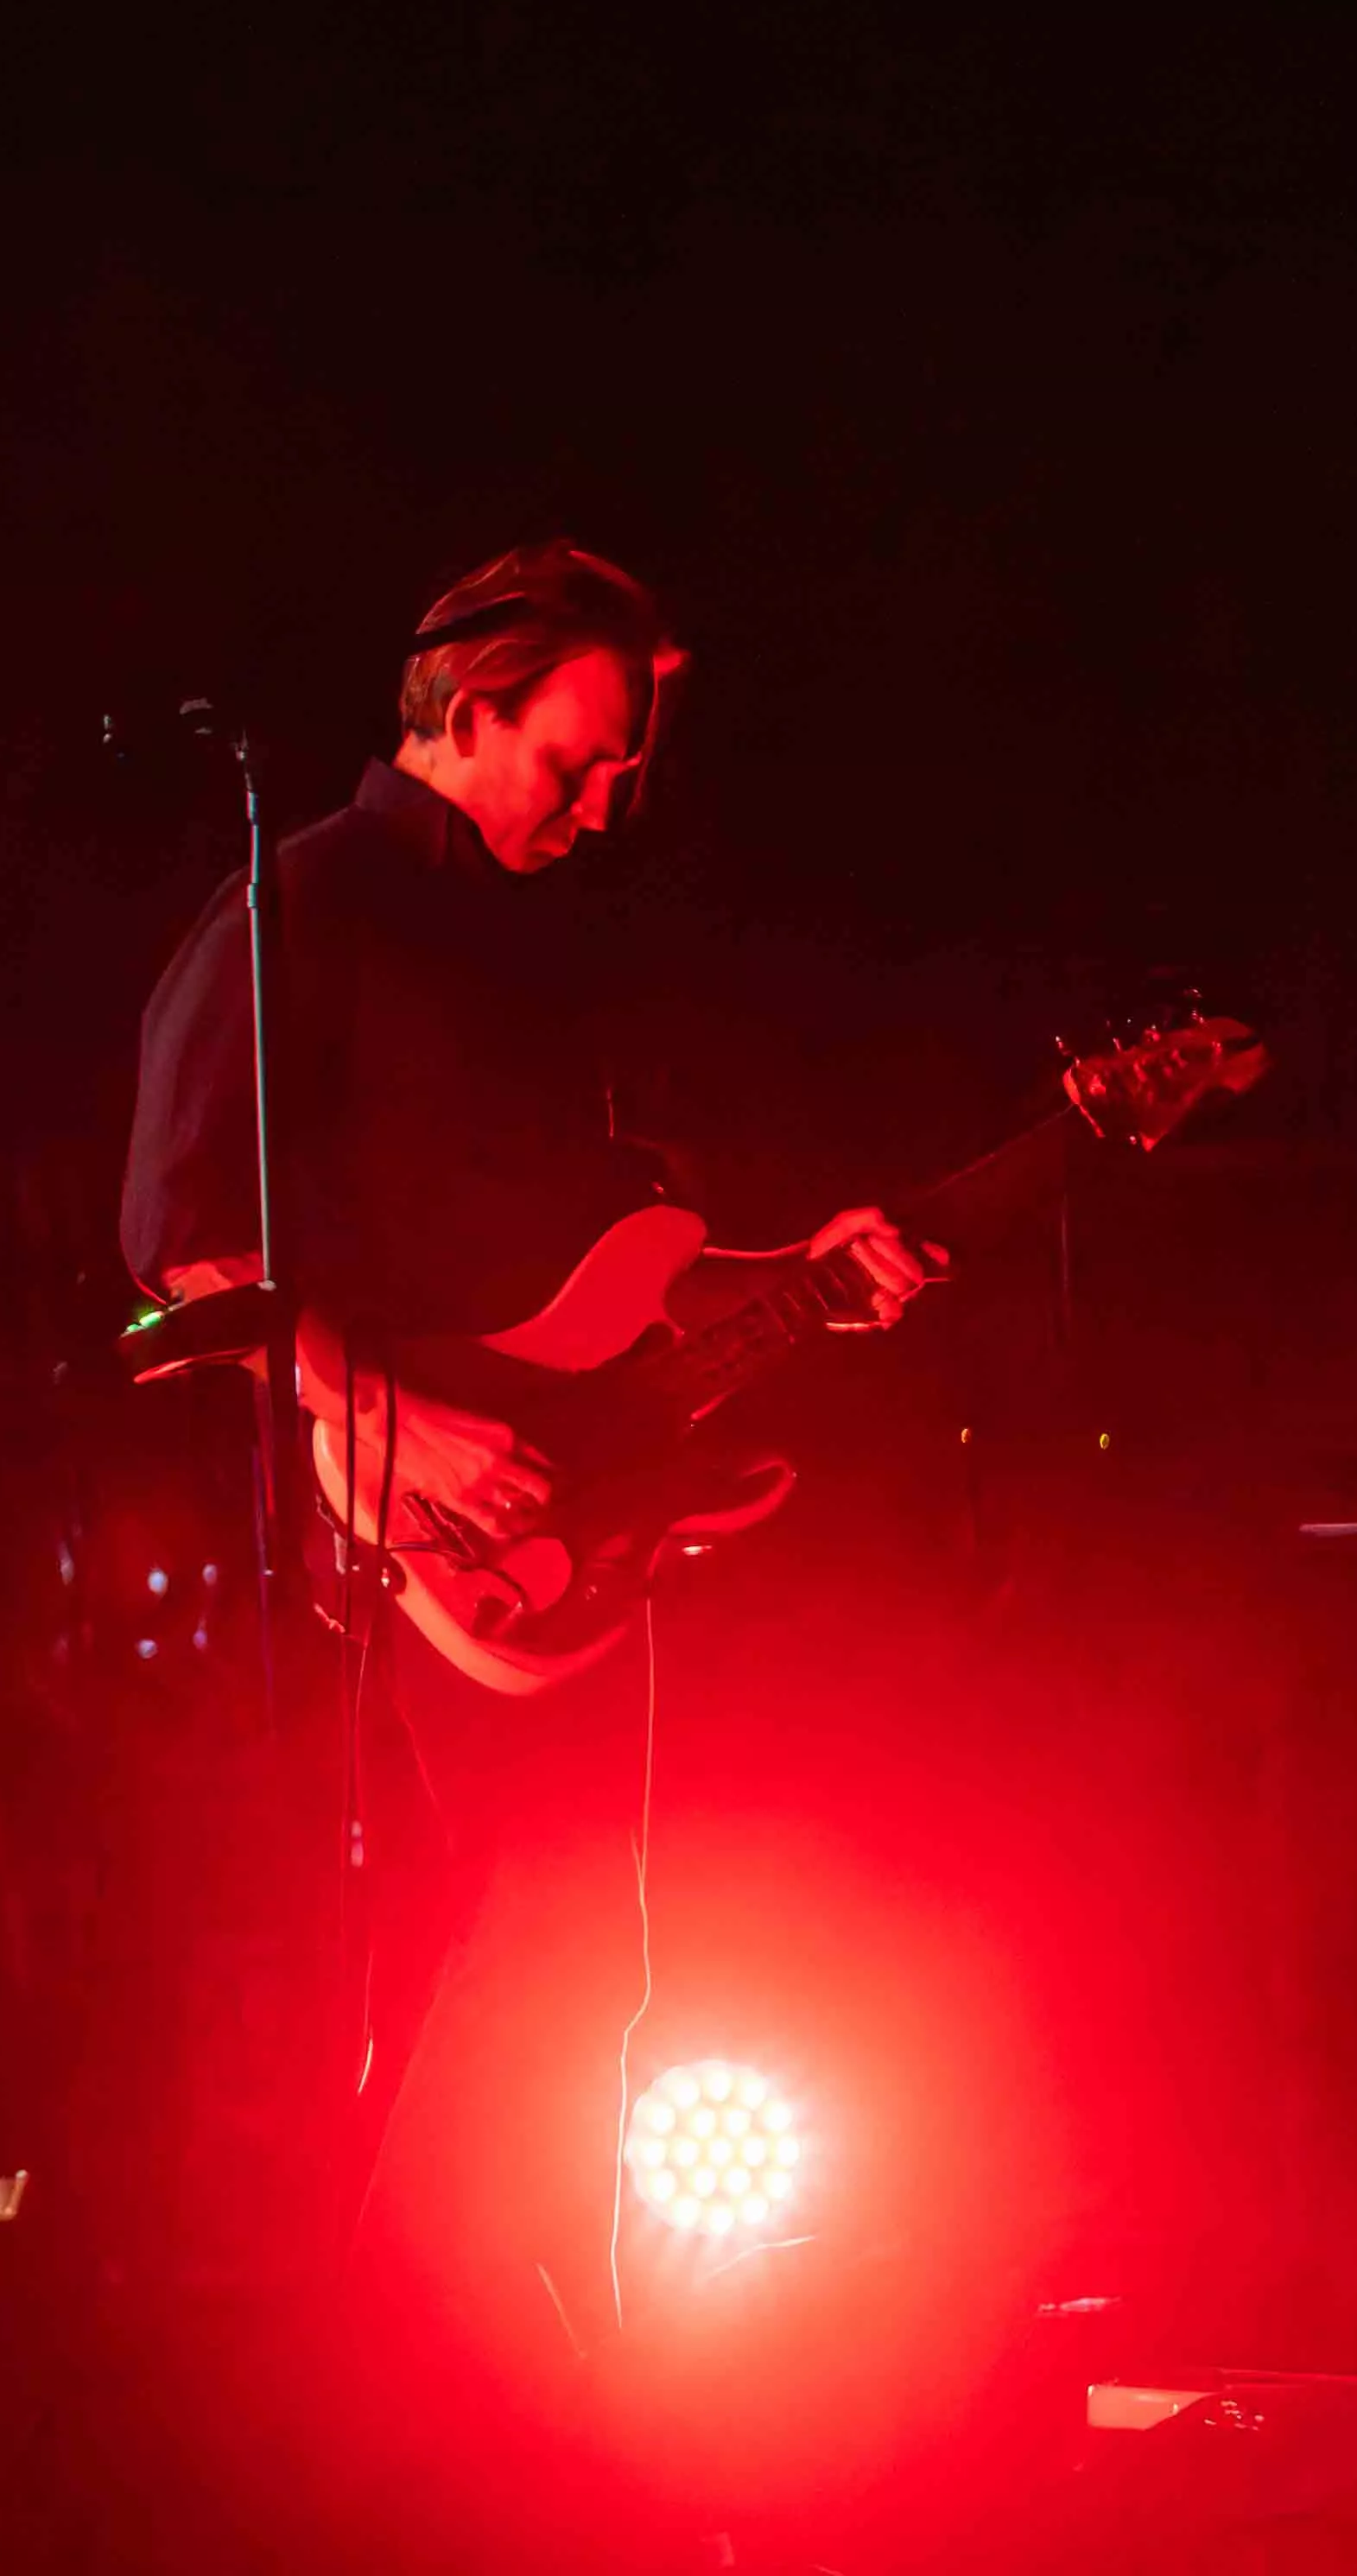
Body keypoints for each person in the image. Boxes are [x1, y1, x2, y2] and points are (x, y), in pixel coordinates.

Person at [111, 542, 932, 2497]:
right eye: (571, 758)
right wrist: (391, 1414)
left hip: (569, 1539)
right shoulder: (295, 902)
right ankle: (403, 2389)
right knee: (507, 1947)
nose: (600, 801)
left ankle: (518, 2379)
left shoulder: (528, 949)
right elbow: (173, 1263)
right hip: (385, 1540)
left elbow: (591, 1269)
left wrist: (795, 1263)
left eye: (622, 770)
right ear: (460, 711)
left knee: (592, 1963)